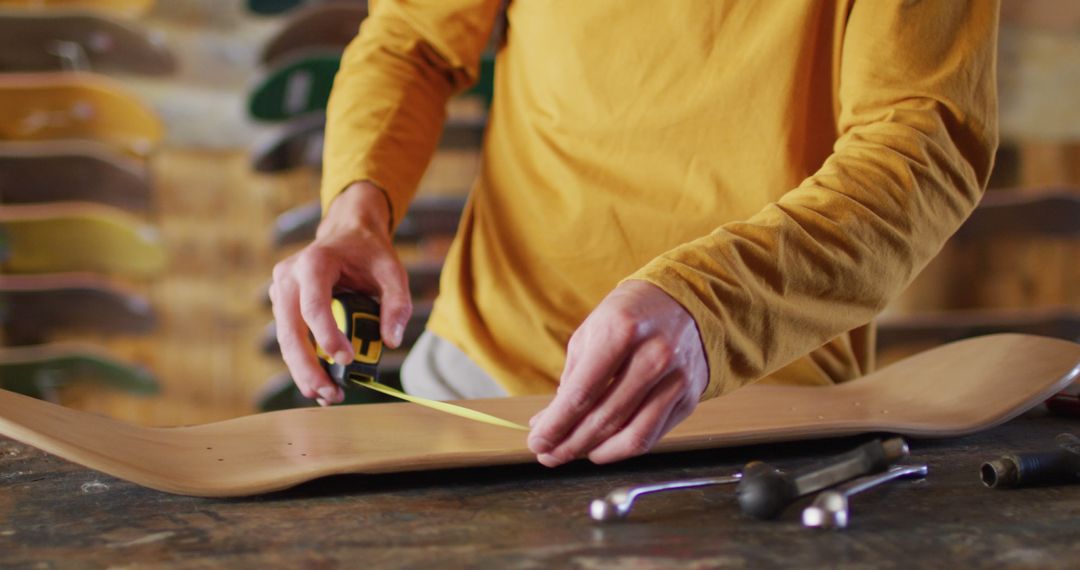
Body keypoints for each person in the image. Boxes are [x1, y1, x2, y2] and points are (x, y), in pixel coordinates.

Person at [270, 0, 998, 468]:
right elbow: (412, 41)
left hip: (764, 421)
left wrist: (711, 307)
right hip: (483, 384)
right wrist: (355, 210)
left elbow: (920, 147)